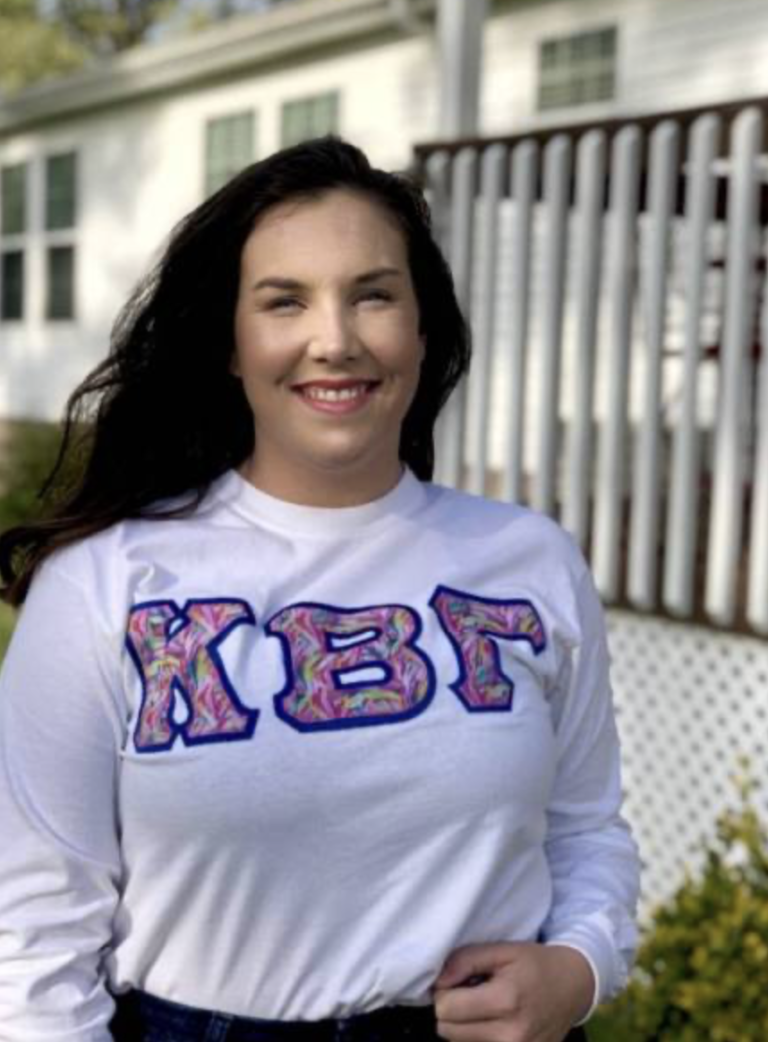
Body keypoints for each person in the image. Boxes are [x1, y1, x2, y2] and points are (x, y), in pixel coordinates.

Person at [0, 136, 639, 1042]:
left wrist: (579, 967)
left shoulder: (526, 560)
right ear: (232, 343)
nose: (334, 341)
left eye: (373, 295)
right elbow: (34, 929)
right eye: (284, 301)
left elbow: (586, 829)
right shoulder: (105, 582)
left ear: (422, 329)